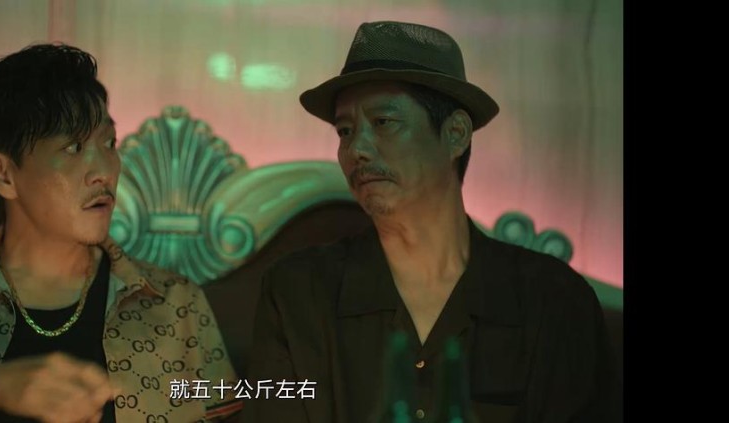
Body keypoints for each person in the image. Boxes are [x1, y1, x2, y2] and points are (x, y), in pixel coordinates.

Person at [242, 21, 618, 423]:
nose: (356, 149)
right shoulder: (298, 292)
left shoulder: (552, 301)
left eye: (383, 122)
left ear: (455, 134)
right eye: (345, 131)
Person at [0, 43, 242, 423]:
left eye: (109, 143)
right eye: (73, 147)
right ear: (2, 174)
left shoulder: (174, 301)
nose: (104, 171)